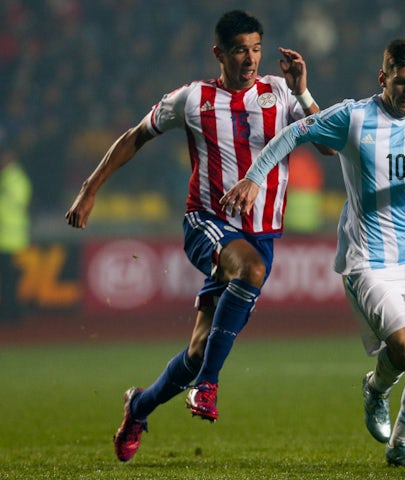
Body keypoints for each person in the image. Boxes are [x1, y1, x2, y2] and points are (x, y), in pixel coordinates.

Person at [66, 10, 332, 462]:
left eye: (255, 49)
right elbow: (135, 136)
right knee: (251, 270)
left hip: (260, 232)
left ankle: (139, 407)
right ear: (219, 53)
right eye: (239, 50)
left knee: (196, 351)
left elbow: (326, 142)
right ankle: (207, 388)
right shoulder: (192, 99)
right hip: (206, 222)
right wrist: (90, 189)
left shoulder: (279, 91)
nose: (249, 60)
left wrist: (304, 90)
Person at [220, 38, 405, 468]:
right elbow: (295, 133)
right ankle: (376, 388)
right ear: (383, 77)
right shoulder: (354, 116)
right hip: (369, 261)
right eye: (400, 82)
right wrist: (253, 177)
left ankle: (401, 446)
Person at [0, 145, 32, 323]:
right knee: (9, 279)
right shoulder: (9, 178)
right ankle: (11, 311)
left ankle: (12, 313)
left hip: (11, 239)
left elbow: (12, 206)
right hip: (8, 237)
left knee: (10, 279)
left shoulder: (15, 179)